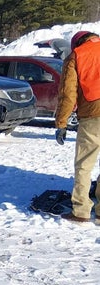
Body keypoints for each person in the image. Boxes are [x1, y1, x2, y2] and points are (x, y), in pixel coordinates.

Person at [54, 30, 100, 225]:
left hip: (92, 114)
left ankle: (81, 211)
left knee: (84, 164)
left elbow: (67, 94)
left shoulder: (76, 56)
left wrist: (61, 123)